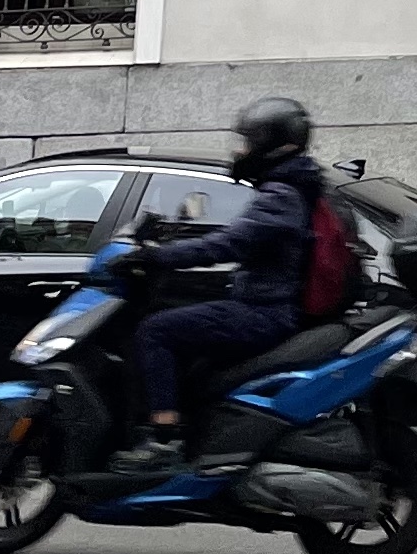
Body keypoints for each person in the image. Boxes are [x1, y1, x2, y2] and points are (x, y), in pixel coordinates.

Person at [112, 95, 330, 471]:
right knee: (176, 321)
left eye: (248, 141)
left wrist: (158, 256)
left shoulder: (281, 195)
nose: (241, 150)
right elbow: (241, 237)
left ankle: (164, 440)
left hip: (265, 312)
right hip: (265, 304)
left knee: (156, 331)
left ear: (271, 145)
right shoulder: (290, 189)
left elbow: (231, 243)